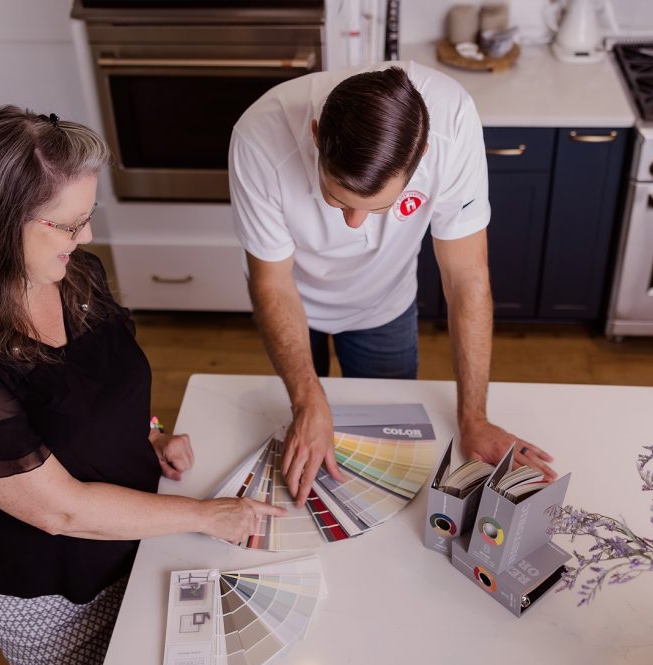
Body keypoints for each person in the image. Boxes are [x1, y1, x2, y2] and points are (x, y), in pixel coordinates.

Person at [0, 106, 284, 665]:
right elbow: (58, 510)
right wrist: (205, 515)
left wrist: (145, 433)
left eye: (87, 217)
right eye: (69, 224)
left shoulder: (77, 277)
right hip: (56, 595)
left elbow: (103, 380)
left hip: (138, 537)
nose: (87, 237)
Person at [229, 63, 556, 506]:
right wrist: (307, 400)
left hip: (386, 305)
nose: (353, 223)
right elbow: (272, 283)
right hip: (291, 302)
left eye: (376, 208)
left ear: (420, 156)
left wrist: (474, 419)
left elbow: (467, 277)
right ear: (315, 134)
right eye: (337, 199)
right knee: (305, 423)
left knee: (389, 460)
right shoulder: (258, 137)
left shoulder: (452, 123)